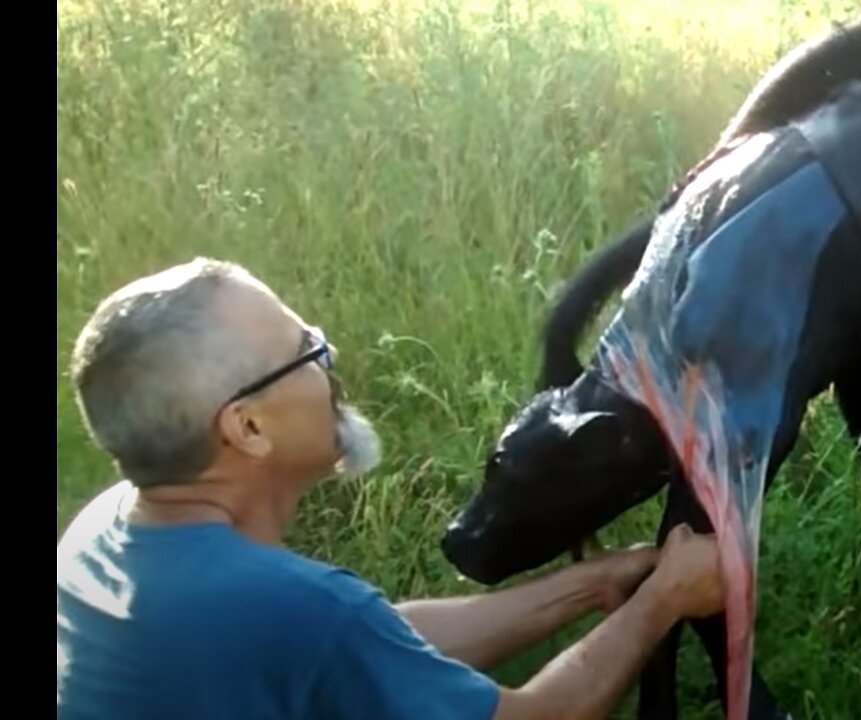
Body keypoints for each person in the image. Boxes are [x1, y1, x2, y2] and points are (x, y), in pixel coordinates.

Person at [57, 257, 726, 720]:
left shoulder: (104, 530)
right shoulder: (293, 608)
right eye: (307, 350)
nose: (332, 360)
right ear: (248, 426)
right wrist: (662, 602)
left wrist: (594, 583)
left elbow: (372, 642)